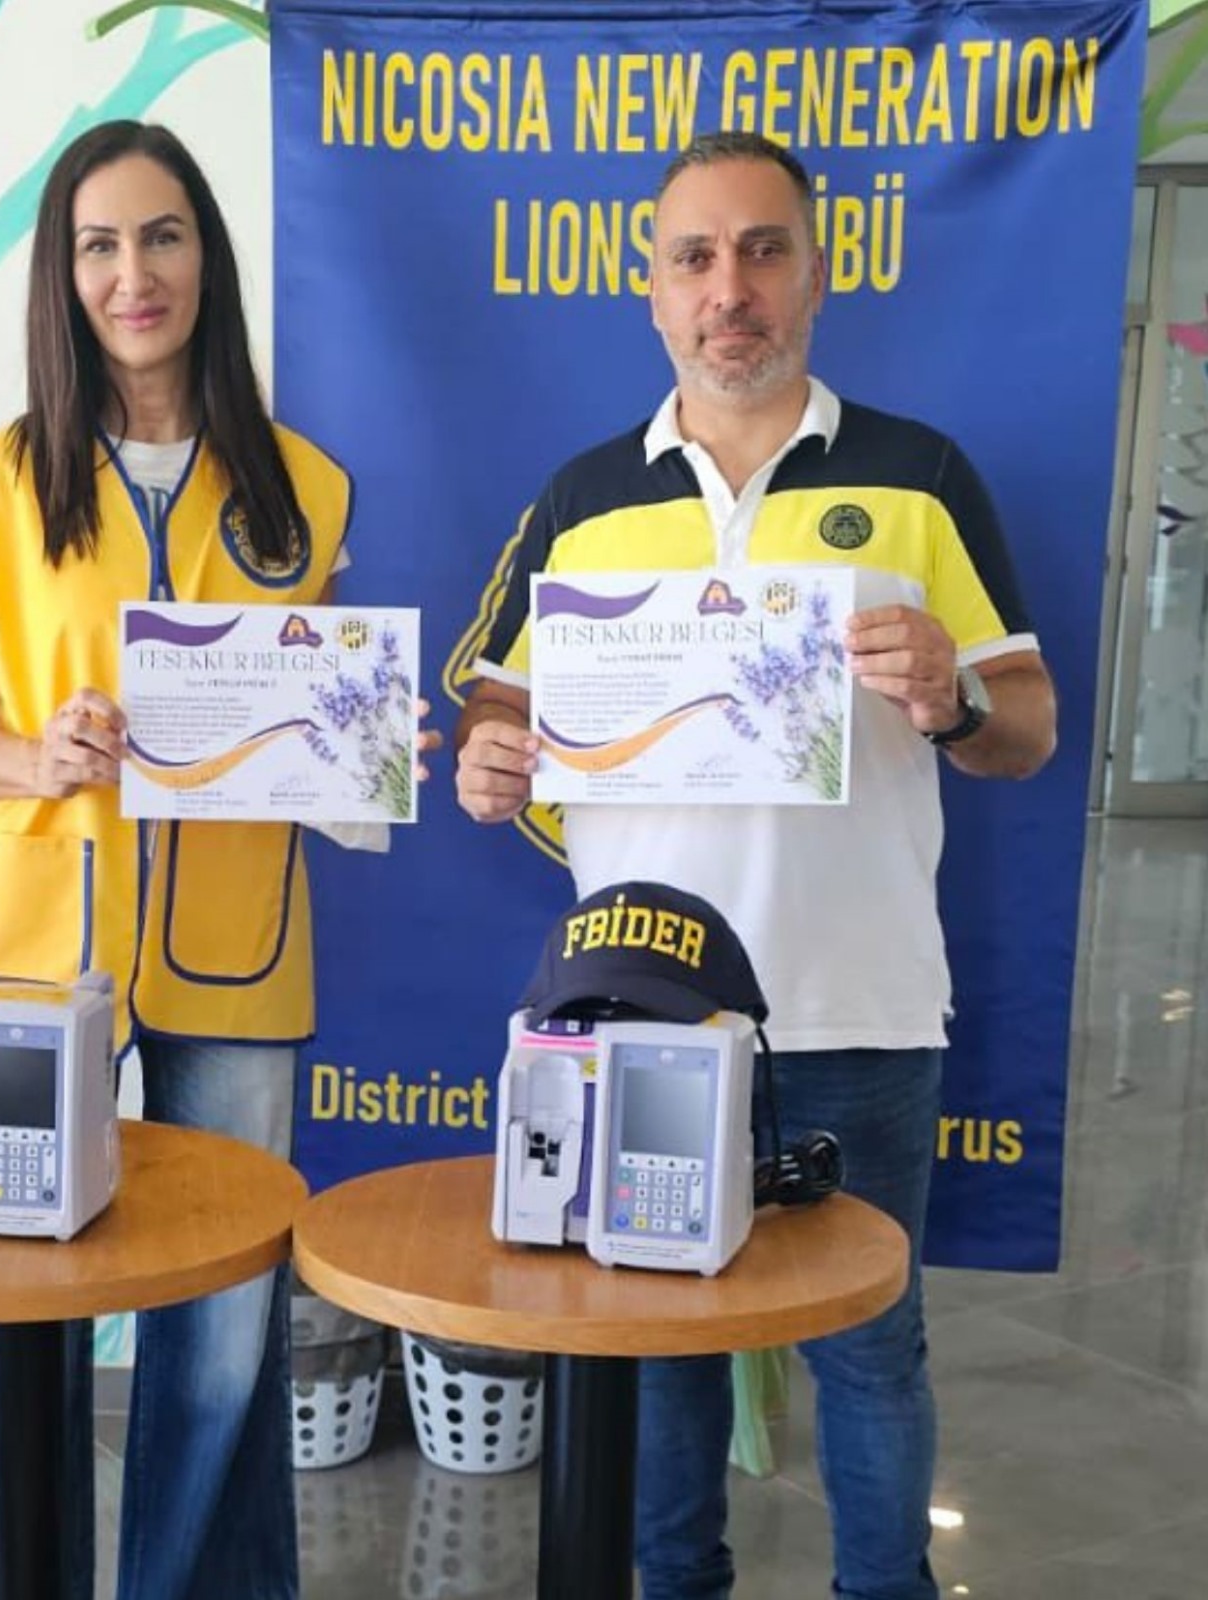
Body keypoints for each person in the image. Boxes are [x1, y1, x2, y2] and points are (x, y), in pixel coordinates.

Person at [454, 130, 1057, 1600]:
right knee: (660, 1351)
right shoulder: (584, 497)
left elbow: (1028, 729)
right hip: (639, 1015)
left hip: (857, 1008)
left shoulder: (920, 477)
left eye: (763, 250)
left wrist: (953, 699)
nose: (730, 288)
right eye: (696, 258)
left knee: (872, 1350)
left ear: (817, 272)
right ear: (654, 290)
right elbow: (500, 704)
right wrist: (488, 758)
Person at [0, 120, 433, 1600]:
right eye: (98, 245)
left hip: (238, 950)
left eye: (162, 235)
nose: (133, 274)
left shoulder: (303, 490)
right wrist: (36, 756)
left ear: (206, 258)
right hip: (32, 950)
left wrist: (370, 744)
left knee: (225, 1337)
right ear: (64, 276)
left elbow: (319, 742)